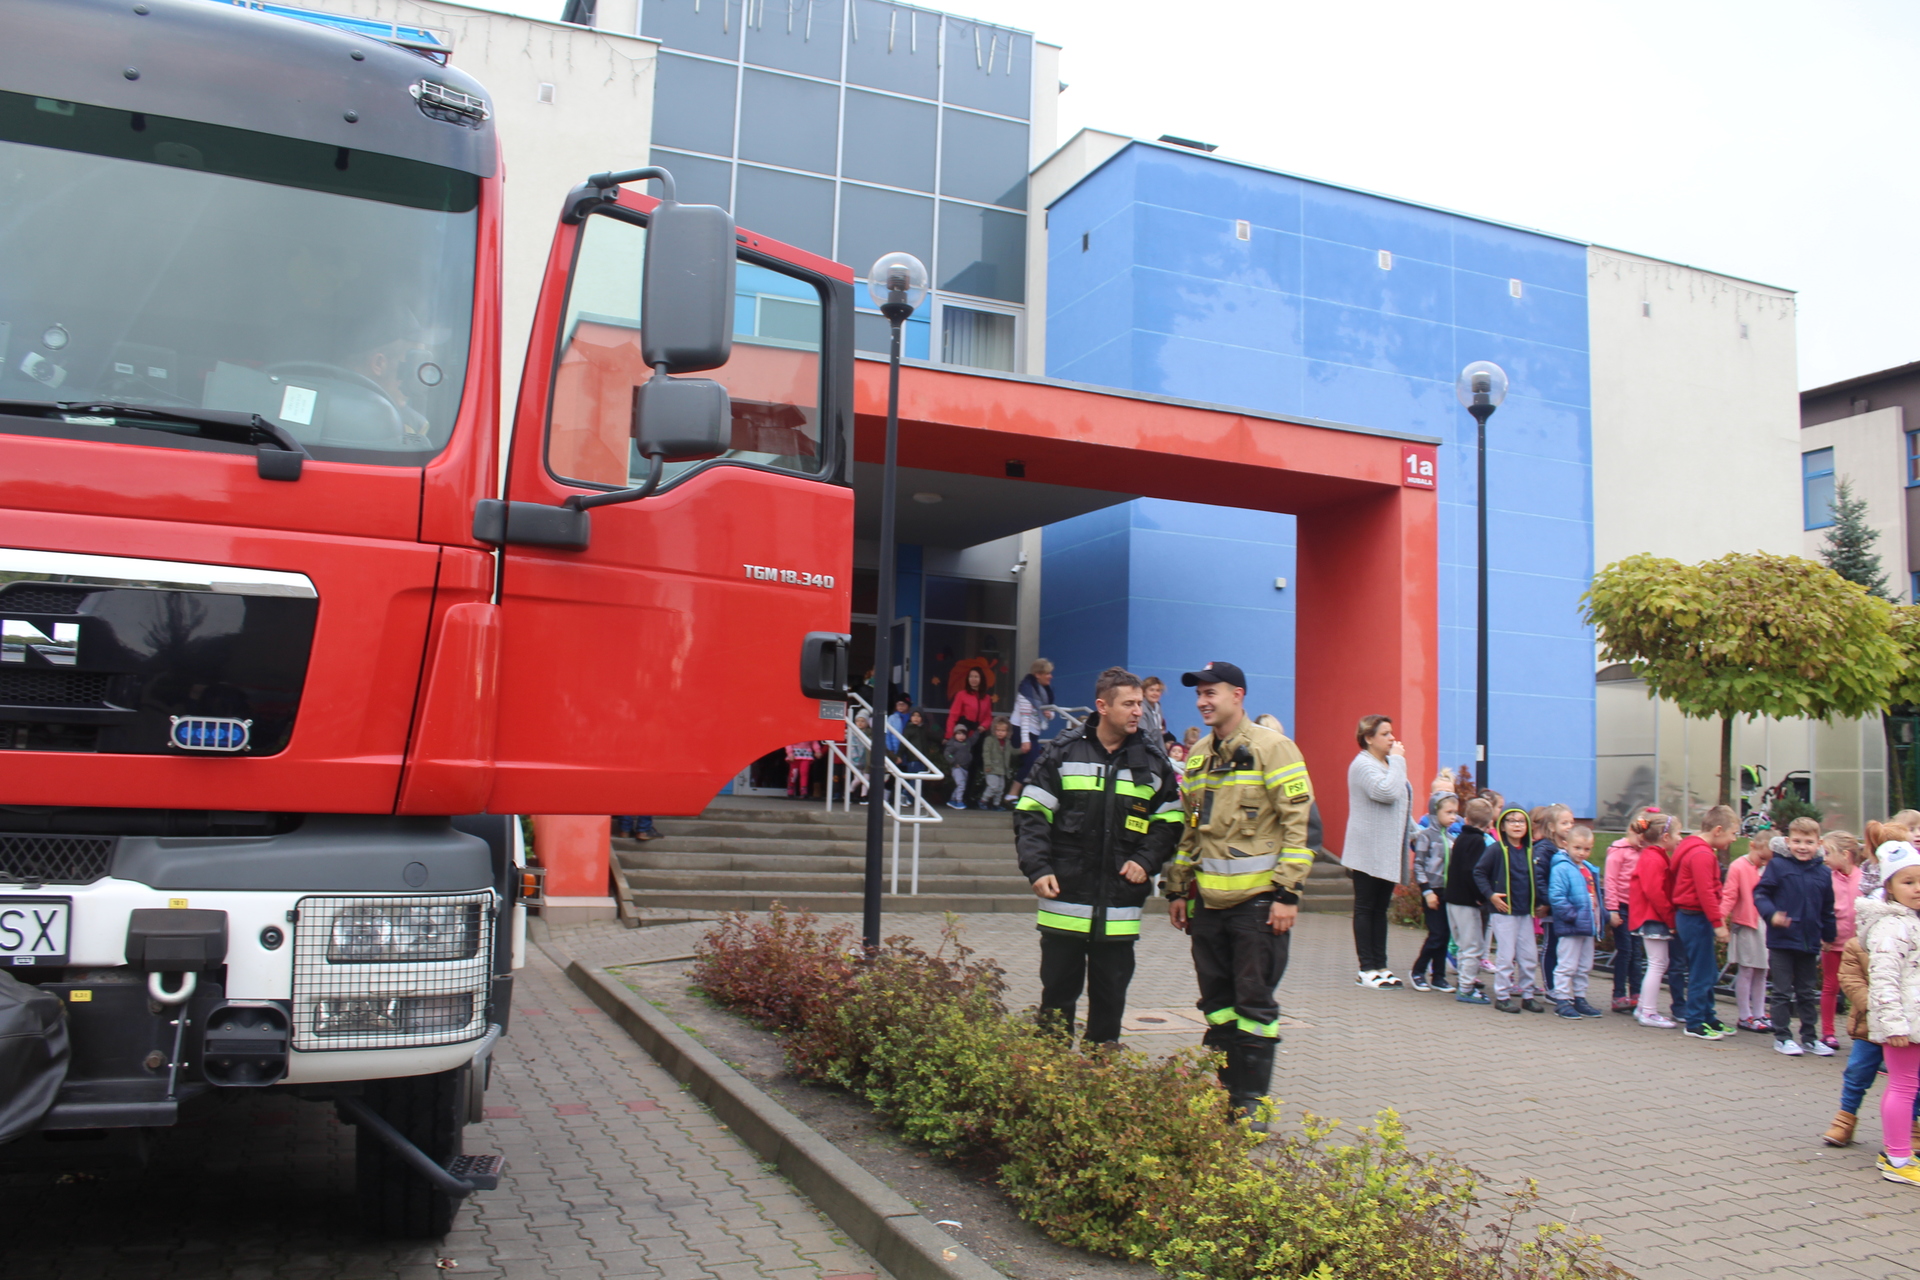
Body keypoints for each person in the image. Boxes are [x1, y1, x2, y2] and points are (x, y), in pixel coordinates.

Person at [1164, 661, 1314, 1130]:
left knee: (1254, 1003)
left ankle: (1250, 1104)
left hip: (1259, 903)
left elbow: (1296, 823)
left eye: (1213, 692)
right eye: (1199, 694)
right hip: (1207, 903)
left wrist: (1288, 893)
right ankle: (1228, 1091)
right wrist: (1176, 887)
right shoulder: (1197, 755)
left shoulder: (1275, 748)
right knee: (1218, 1002)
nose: (1204, 701)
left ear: (1239, 695)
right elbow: (1191, 829)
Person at [1014, 667, 1182, 1047]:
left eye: (1141, 703)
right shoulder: (1063, 752)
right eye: (1129, 704)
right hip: (1064, 902)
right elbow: (1031, 814)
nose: (1139, 711)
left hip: (1119, 909)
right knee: (1056, 1002)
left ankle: (1100, 1076)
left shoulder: (1153, 762)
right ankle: (1049, 1078)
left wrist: (1145, 860)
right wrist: (1037, 867)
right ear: (1102, 707)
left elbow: (1170, 821)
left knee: (1110, 1003)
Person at [1826, 822, 1920, 1148]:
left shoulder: (1914, 928)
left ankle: (1910, 1132)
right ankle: (1845, 1118)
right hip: (1874, 1019)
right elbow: (1851, 976)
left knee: (1910, 1082)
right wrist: (1875, 1005)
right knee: (1859, 1072)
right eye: (1908, 882)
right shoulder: (1876, 932)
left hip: (1910, 1022)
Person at [1856, 837, 1920, 1185]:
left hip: (1916, 1019)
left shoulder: (1913, 921)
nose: (1917, 888)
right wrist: (1894, 1023)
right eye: (1908, 882)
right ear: (1890, 887)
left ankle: (1900, 1151)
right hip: (1903, 1023)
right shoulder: (1892, 926)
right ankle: (1897, 1158)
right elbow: (1882, 978)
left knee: (1909, 1085)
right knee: (1903, 1085)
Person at [1755, 816, 1838, 1056]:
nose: (1802, 847)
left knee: (1806, 991)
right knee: (1781, 990)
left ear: (1818, 843)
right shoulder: (1778, 866)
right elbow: (1761, 894)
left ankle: (1810, 1038)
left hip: (1809, 941)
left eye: (1808, 842)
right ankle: (1782, 1036)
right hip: (1782, 940)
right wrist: (1772, 915)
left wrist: (1829, 936)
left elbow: (1827, 908)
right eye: (1797, 841)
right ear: (1788, 842)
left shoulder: (1823, 872)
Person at [1344, 714, 1412, 989]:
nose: (1392, 738)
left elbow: (1400, 804)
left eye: (1392, 733)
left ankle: (1381, 966)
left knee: (1380, 909)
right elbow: (1386, 792)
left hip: (1387, 851)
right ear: (1368, 738)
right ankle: (1366, 968)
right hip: (1366, 850)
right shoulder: (1362, 764)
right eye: (1385, 734)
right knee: (1365, 907)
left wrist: (1417, 833)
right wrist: (1398, 760)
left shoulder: (1387, 763)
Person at [1672, 805, 1738, 1040]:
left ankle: (1708, 1016)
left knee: (1707, 969)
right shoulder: (1702, 855)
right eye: (1733, 834)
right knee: (1701, 971)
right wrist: (1718, 924)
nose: (1733, 839)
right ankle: (1695, 1020)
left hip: (1692, 917)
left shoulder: (1694, 848)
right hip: (1695, 917)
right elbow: (1705, 892)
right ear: (1719, 830)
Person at [1475, 806, 1548, 1014]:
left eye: (1521, 821)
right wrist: (1491, 895)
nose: (1517, 825)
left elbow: (1535, 879)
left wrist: (1542, 903)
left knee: (1529, 956)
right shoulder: (1496, 849)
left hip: (1525, 912)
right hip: (1504, 912)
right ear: (1503, 826)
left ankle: (1527, 995)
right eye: (1511, 821)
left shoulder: (1529, 851)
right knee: (1506, 956)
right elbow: (1479, 872)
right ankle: (1503, 995)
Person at [1603, 807, 1663, 1012]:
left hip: (1638, 908)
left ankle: (1636, 993)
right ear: (1631, 830)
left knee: (1637, 952)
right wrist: (1612, 909)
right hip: (1621, 907)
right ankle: (1618, 994)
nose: (1642, 840)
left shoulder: (1647, 852)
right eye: (1639, 834)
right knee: (1625, 951)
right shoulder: (1618, 850)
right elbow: (1610, 880)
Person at [1547, 824, 1606, 1018]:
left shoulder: (1588, 869)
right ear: (1566, 845)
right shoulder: (1562, 867)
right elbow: (1557, 897)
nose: (1582, 853)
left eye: (1587, 849)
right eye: (1577, 848)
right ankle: (1562, 999)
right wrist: (1572, 916)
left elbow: (1594, 895)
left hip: (1587, 925)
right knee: (1567, 963)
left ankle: (1580, 997)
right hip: (1572, 926)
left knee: (1584, 965)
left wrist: (1600, 916)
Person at [1720, 828, 1775, 1033]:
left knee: (1762, 969)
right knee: (1747, 969)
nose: (1763, 862)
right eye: (1761, 857)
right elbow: (1730, 895)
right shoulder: (1739, 866)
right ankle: (1745, 1015)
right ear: (1752, 846)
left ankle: (1759, 1012)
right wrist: (1719, 920)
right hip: (1747, 923)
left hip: (1764, 923)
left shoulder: (1768, 867)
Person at [1444, 796, 1495, 1005]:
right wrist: (1481, 896)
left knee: (1463, 944)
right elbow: (1473, 872)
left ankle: (1464, 982)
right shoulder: (1478, 842)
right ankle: (1466, 988)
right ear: (1489, 824)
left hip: (1452, 899)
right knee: (1473, 945)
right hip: (1467, 901)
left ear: (1465, 819)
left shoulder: (1460, 840)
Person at [1408, 792, 1458, 992]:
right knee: (1436, 934)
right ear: (1435, 813)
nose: (1454, 816)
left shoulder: (1452, 838)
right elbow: (1419, 865)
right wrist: (1427, 891)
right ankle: (1418, 971)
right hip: (1432, 891)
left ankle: (1438, 976)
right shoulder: (1425, 837)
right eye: (1449, 812)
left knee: (1445, 934)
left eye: (1455, 812)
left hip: (1448, 892)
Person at [1823, 831, 1866, 1048]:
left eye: (1829, 852)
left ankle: (1862, 1031)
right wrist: (1825, 935)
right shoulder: (1827, 877)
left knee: (1860, 988)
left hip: (1859, 946)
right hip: (1834, 942)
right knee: (1831, 985)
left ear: (1846, 854)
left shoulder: (1864, 878)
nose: (1825, 857)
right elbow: (1823, 909)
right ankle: (1828, 1032)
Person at [1008, 658, 1056, 802]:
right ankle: (1013, 794)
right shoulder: (1026, 692)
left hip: (1034, 732)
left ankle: (1017, 794)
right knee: (1033, 762)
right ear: (1037, 674)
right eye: (1047, 673)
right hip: (1021, 731)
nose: (1050, 676)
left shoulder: (1044, 691)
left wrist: (1050, 714)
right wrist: (1025, 741)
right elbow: (1025, 718)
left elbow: (1048, 711)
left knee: (1035, 763)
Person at [978, 716, 1013, 810]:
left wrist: (1022, 750)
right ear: (994, 730)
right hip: (992, 768)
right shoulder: (990, 740)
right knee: (993, 786)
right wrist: (988, 765)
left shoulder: (1007, 742)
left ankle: (996, 804)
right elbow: (986, 753)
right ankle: (983, 800)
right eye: (998, 730)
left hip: (1002, 769)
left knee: (1000, 788)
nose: (1000, 733)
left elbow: (1012, 751)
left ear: (1007, 732)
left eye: (1003, 730)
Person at [945, 724, 974, 810]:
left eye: (963, 734)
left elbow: (974, 738)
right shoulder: (953, 744)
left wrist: (978, 731)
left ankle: (953, 800)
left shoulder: (967, 743)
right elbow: (947, 754)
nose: (961, 736)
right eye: (959, 734)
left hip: (965, 768)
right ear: (955, 734)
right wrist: (954, 762)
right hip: (957, 768)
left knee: (960, 785)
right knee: (961, 785)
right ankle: (959, 801)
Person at [1141, 676, 1172, 749]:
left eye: (1158, 690)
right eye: (1151, 690)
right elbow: (1143, 736)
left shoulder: (1158, 708)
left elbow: (1159, 735)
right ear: (1144, 692)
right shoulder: (1141, 709)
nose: (1155, 693)